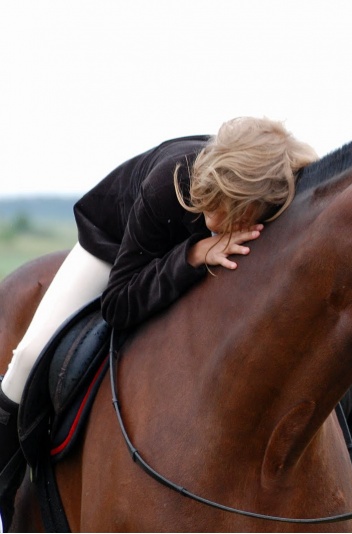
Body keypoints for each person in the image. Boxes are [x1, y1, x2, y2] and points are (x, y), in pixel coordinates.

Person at [0, 117, 318, 528]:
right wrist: (191, 255)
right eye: (211, 202)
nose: (212, 218)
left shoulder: (277, 189)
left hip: (173, 241)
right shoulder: (172, 181)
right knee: (27, 356)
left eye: (225, 207)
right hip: (115, 242)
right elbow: (117, 303)